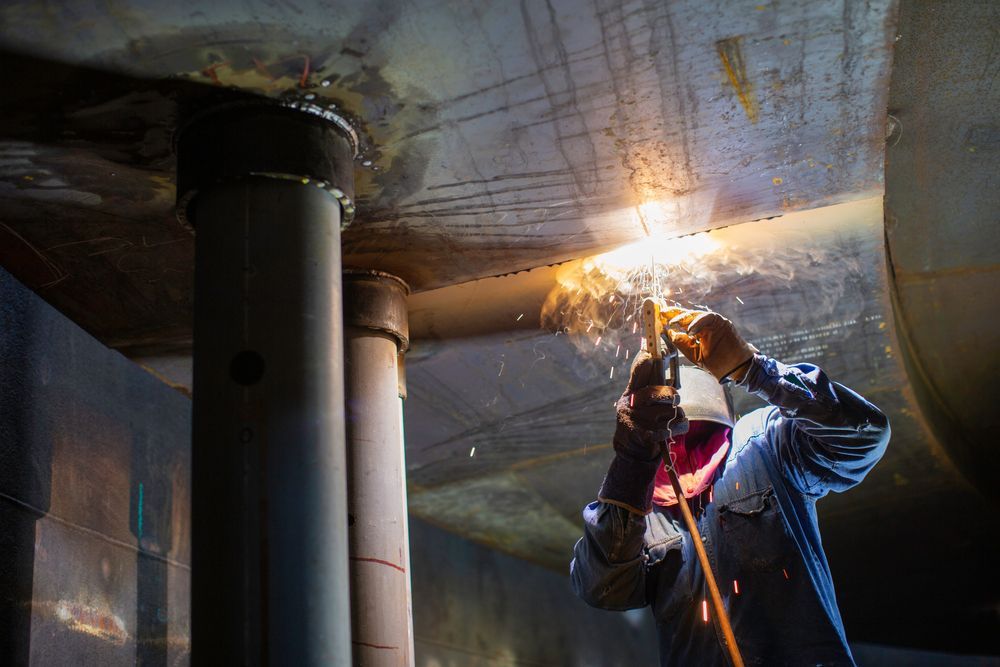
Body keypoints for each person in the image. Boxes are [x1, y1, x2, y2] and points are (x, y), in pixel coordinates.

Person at [570, 307, 890, 666]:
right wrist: (631, 459)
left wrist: (758, 371)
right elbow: (602, 588)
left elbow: (863, 438)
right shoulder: (634, 507)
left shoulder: (766, 445)